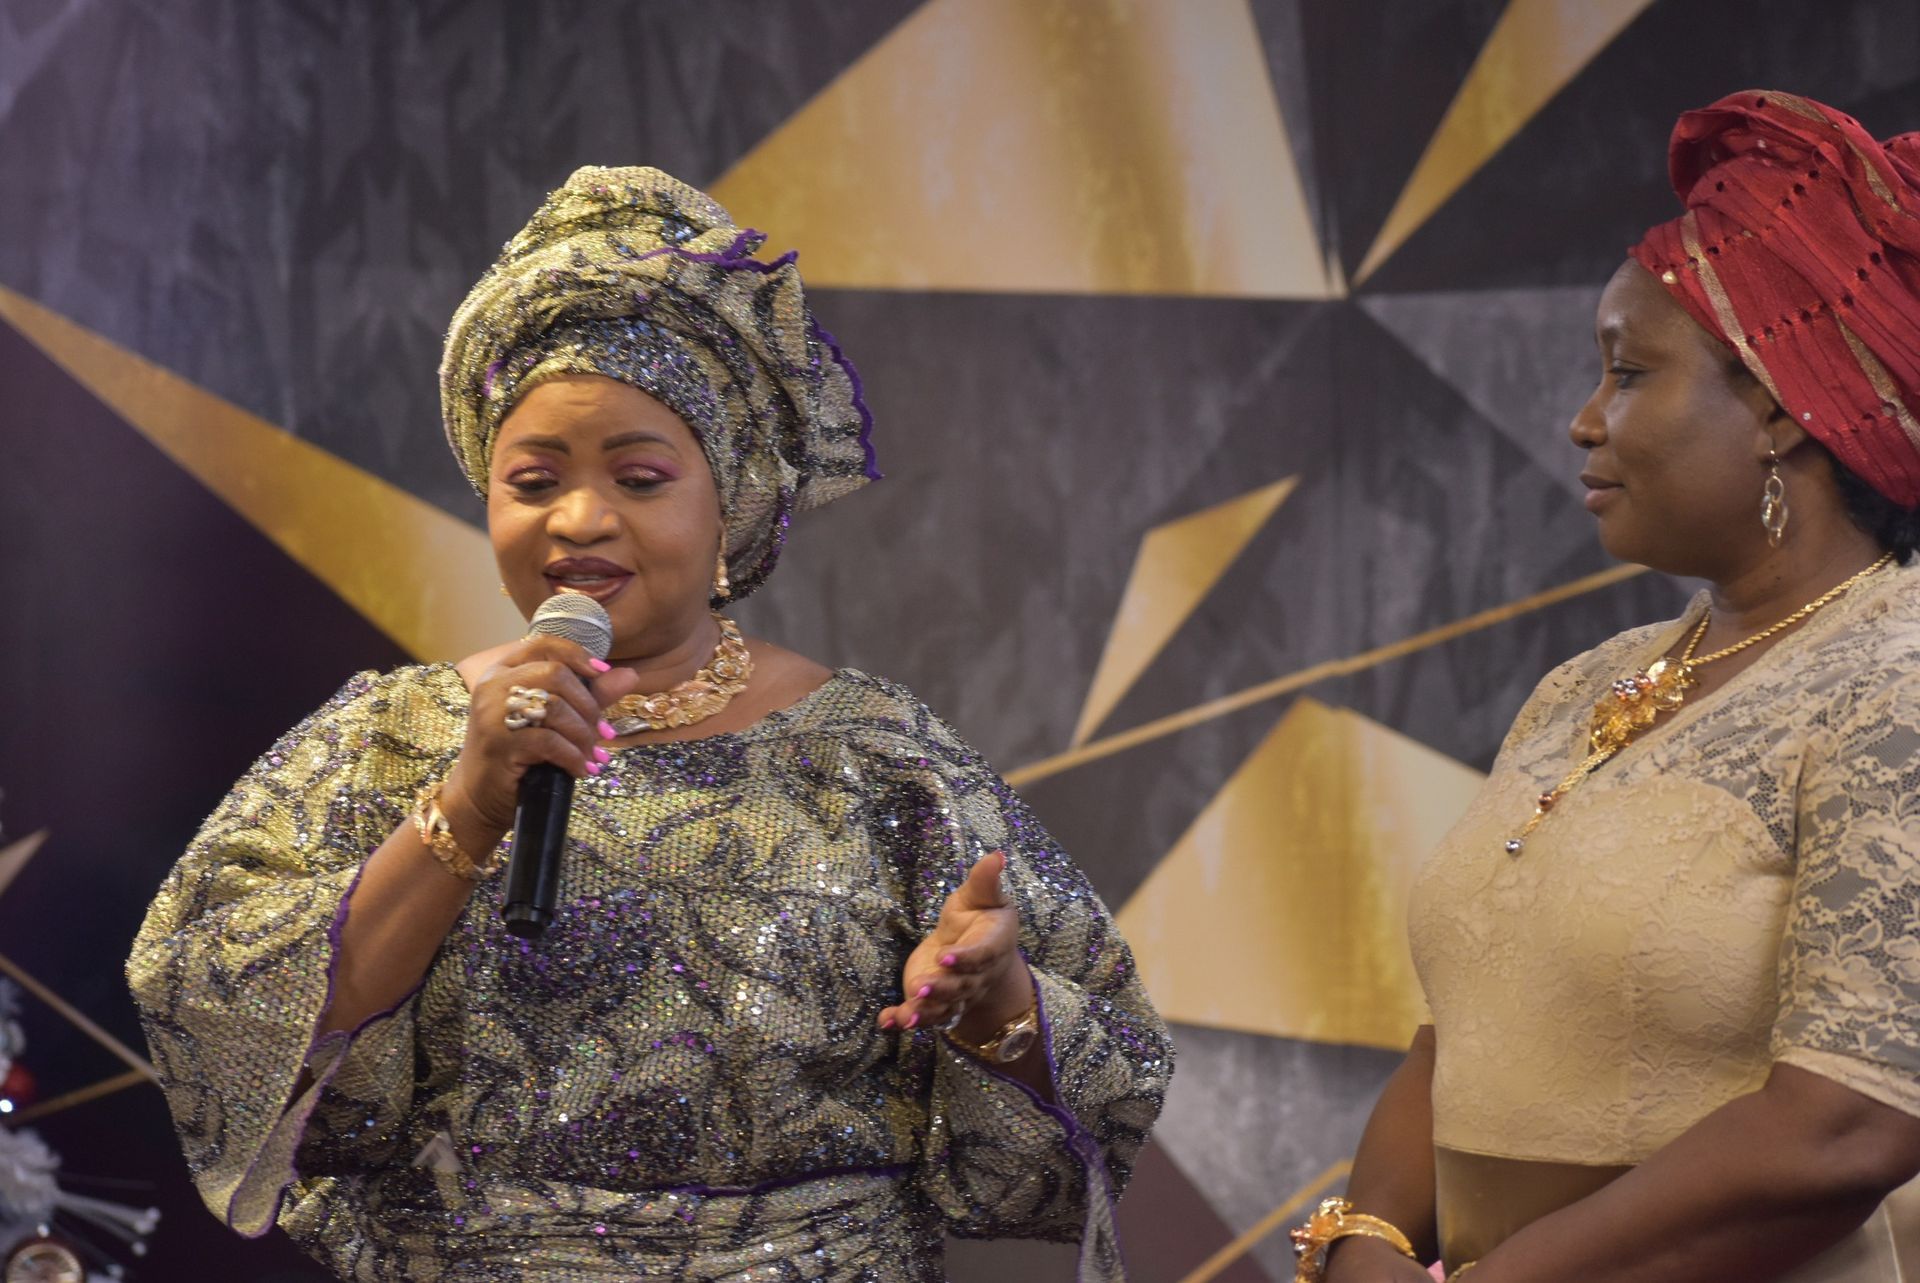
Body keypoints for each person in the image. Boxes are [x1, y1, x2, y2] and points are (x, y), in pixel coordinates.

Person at [127, 167, 1170, 1283]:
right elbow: (227, 1022)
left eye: (639, 475)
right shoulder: (391, 733)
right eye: (533, 479)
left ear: (730, 504)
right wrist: (467, 804)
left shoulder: (874, 752)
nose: (578, 519)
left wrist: (998, 1006)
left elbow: (1113, 1079)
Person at [1292, 92, 1920, 1283]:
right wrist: (1366, 1236)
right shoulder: (1586, 681)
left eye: (1628, 373)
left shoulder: (1895, 682)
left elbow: (1849, 1124)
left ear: (1785, 407)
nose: (1585, 422)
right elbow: (1464, 1032)